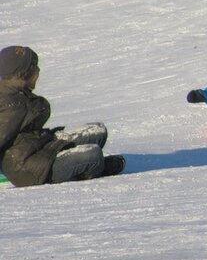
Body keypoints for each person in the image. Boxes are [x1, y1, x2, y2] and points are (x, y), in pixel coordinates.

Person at [0, 45, 125, 187]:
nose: (39, 72)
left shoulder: (17, 94)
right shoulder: (11, 105)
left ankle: (80, 160)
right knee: (93, 155)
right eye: (35, 68)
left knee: (98, 131)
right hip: (29, 169)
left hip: (40, 146)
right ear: (24, 74)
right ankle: (92, 169)